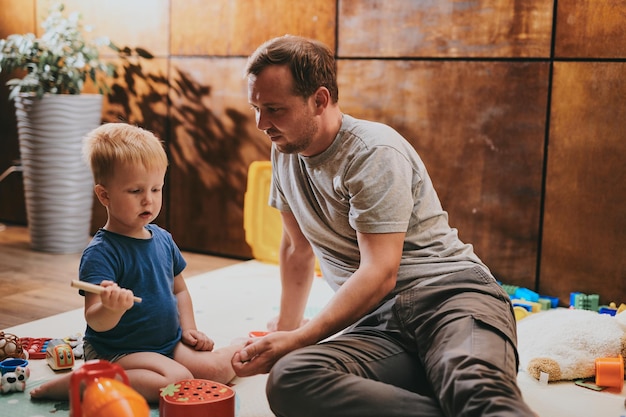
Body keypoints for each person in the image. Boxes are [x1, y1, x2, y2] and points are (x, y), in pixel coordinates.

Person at [231, 35, 537, 417]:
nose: (262, 124)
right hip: (377, 324)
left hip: (451, 297)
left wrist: (302, 336)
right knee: (293, 376)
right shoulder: (285, 152)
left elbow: (380, 273)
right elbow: (297, 248)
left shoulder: (373, 151)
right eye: (256, 108)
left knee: (472, 384)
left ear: (320, 100)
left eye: (274, 109)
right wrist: (287, 332)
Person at [30, 123, 243, 403]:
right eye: (135, 191)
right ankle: (85, 382)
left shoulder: (163, 239)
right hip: (119, 351)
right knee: (177, 381)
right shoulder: (101, 253)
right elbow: (95, 318)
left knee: (216, 369)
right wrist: (110, 308)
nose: (149, 200)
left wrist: (189, 327)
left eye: (156, 189)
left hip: (166, 343)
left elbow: (179, 290)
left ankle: (247, 346)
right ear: (104, 195)